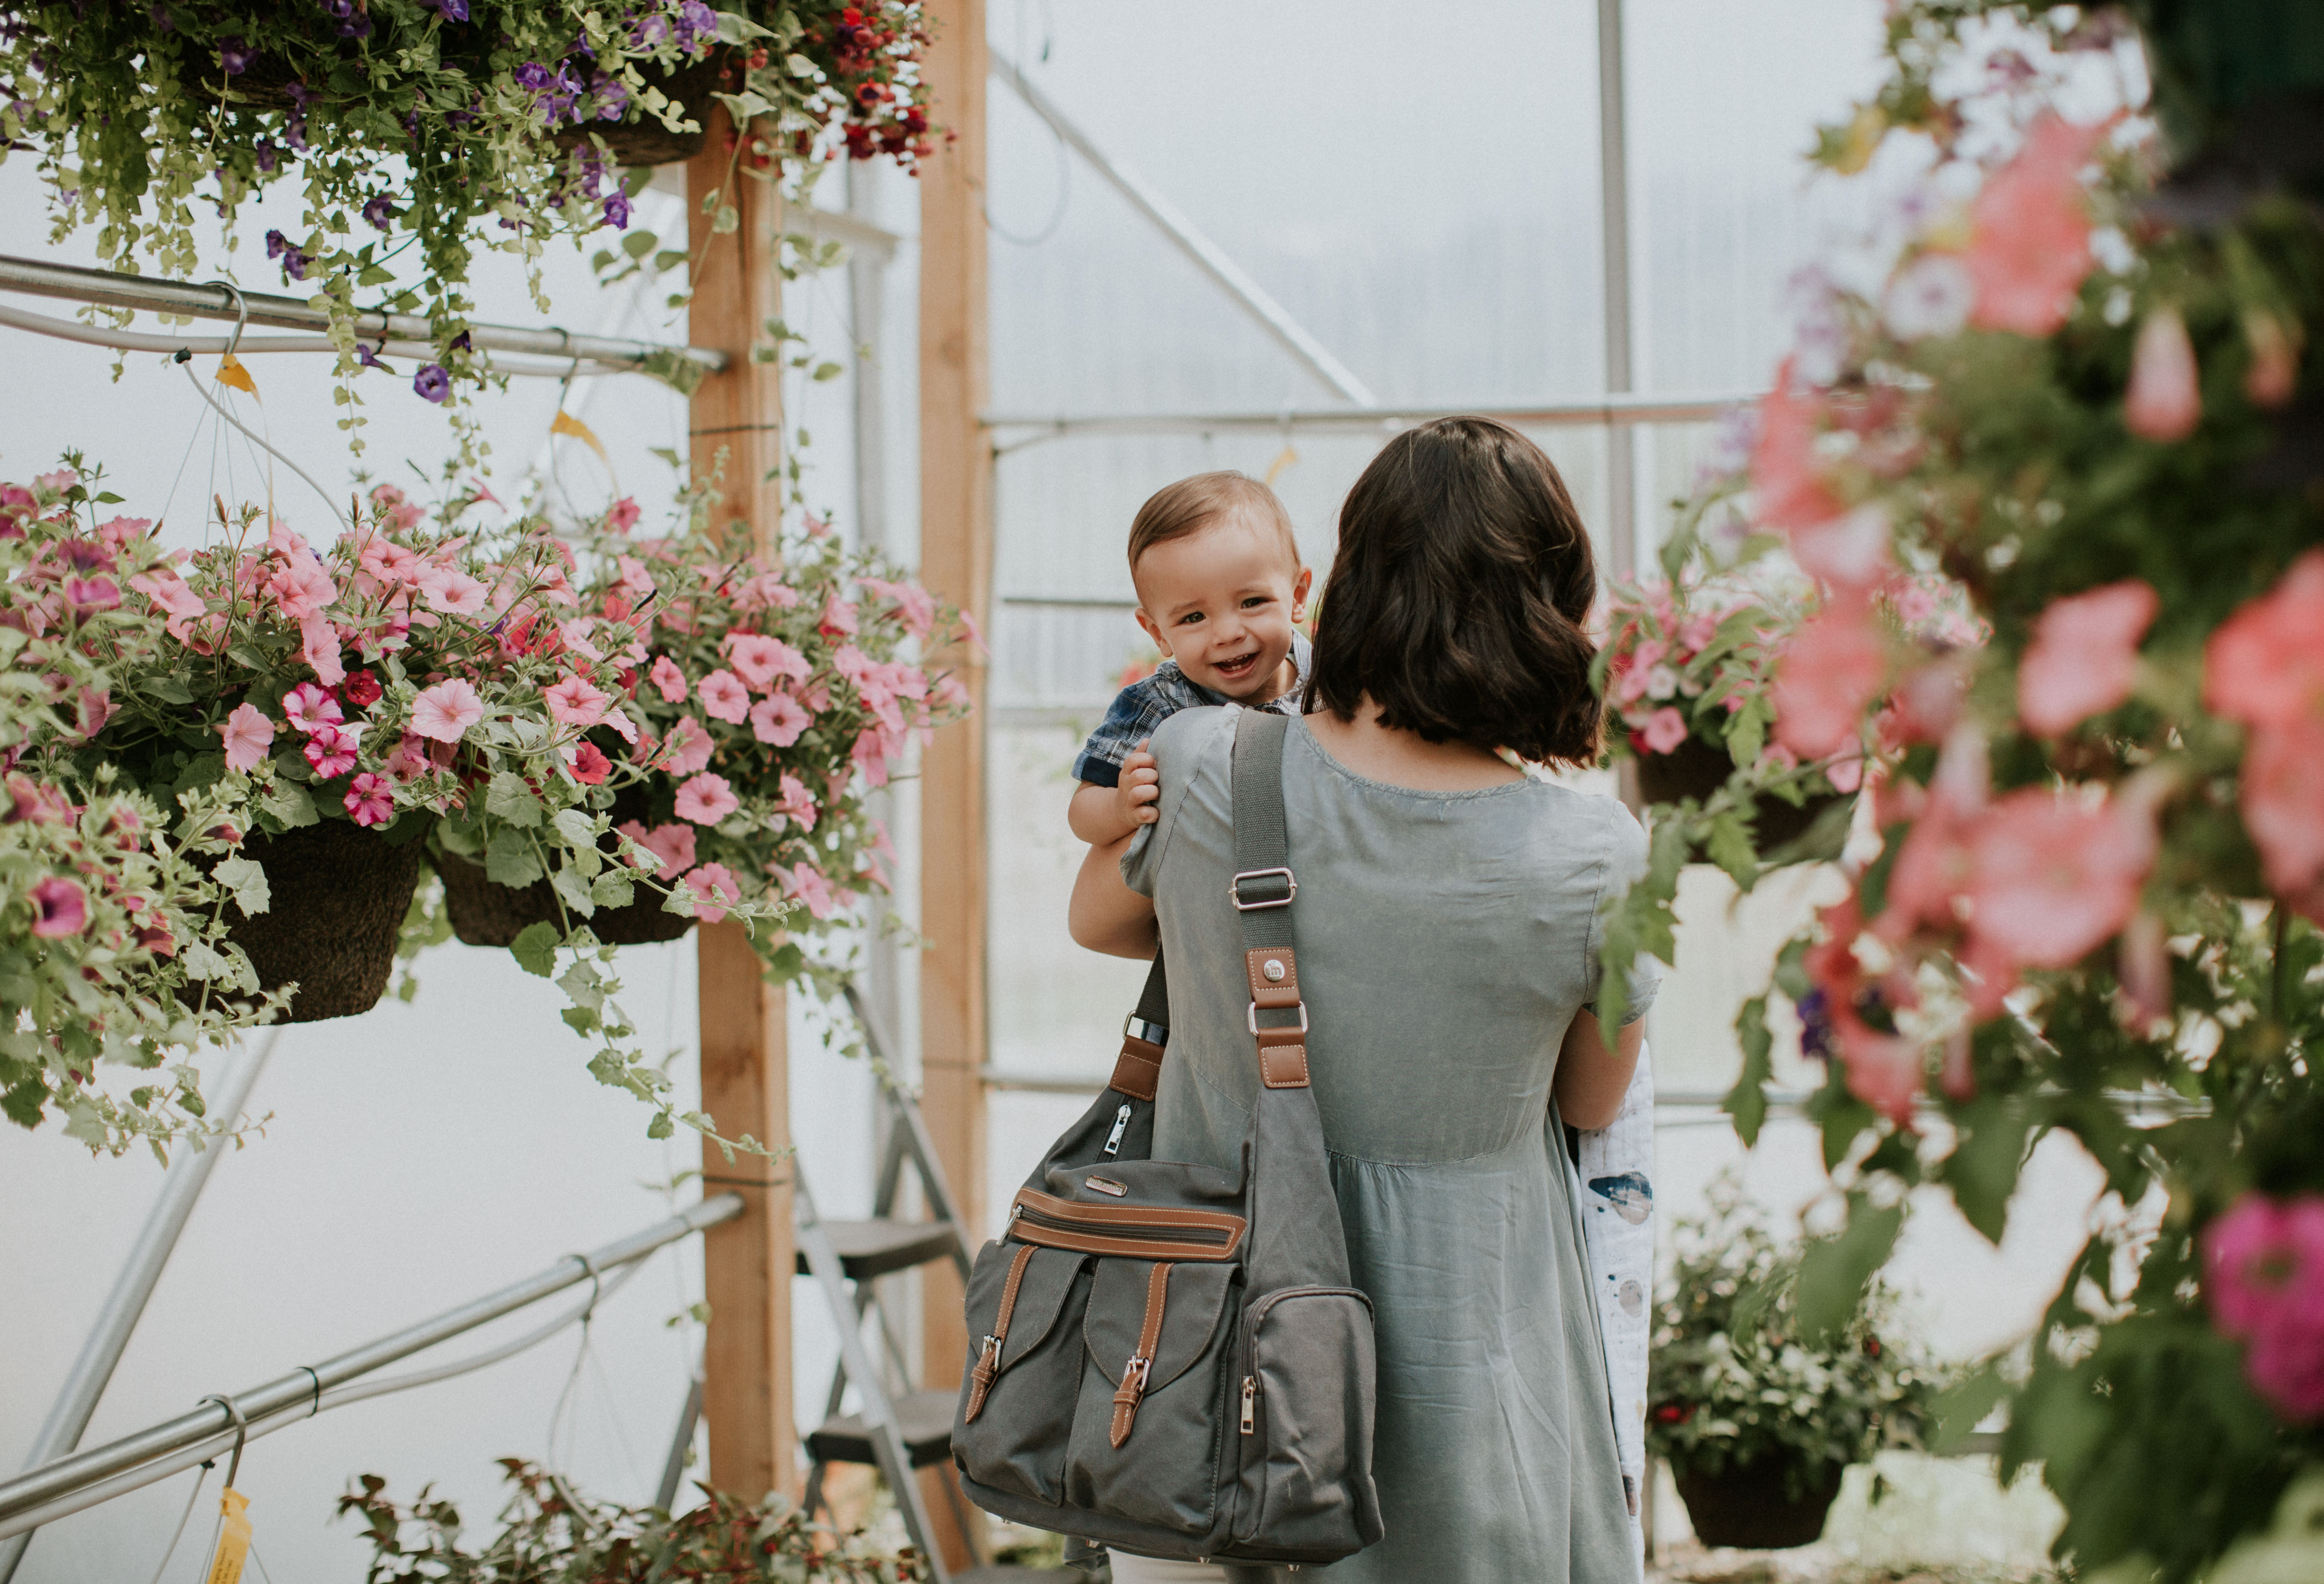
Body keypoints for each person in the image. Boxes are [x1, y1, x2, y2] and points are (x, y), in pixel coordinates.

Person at [1067, 416, 1654, 1584]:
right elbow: (1590, 1105)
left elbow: (1106, 922)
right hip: (1474, 1368)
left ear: (1341, 584)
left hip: (1203, 1372)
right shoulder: (1597, 850)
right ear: (1551, 608)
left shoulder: (1200, 763)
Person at [1066, 471, 1314, 850]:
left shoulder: (1333, 682)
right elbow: (1081, 812)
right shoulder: (1158, 706)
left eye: (1252, 602)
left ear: (1297, 595)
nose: (1228, 634)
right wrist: (1120, 806)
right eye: (1194, 618)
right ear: (1158, 633)